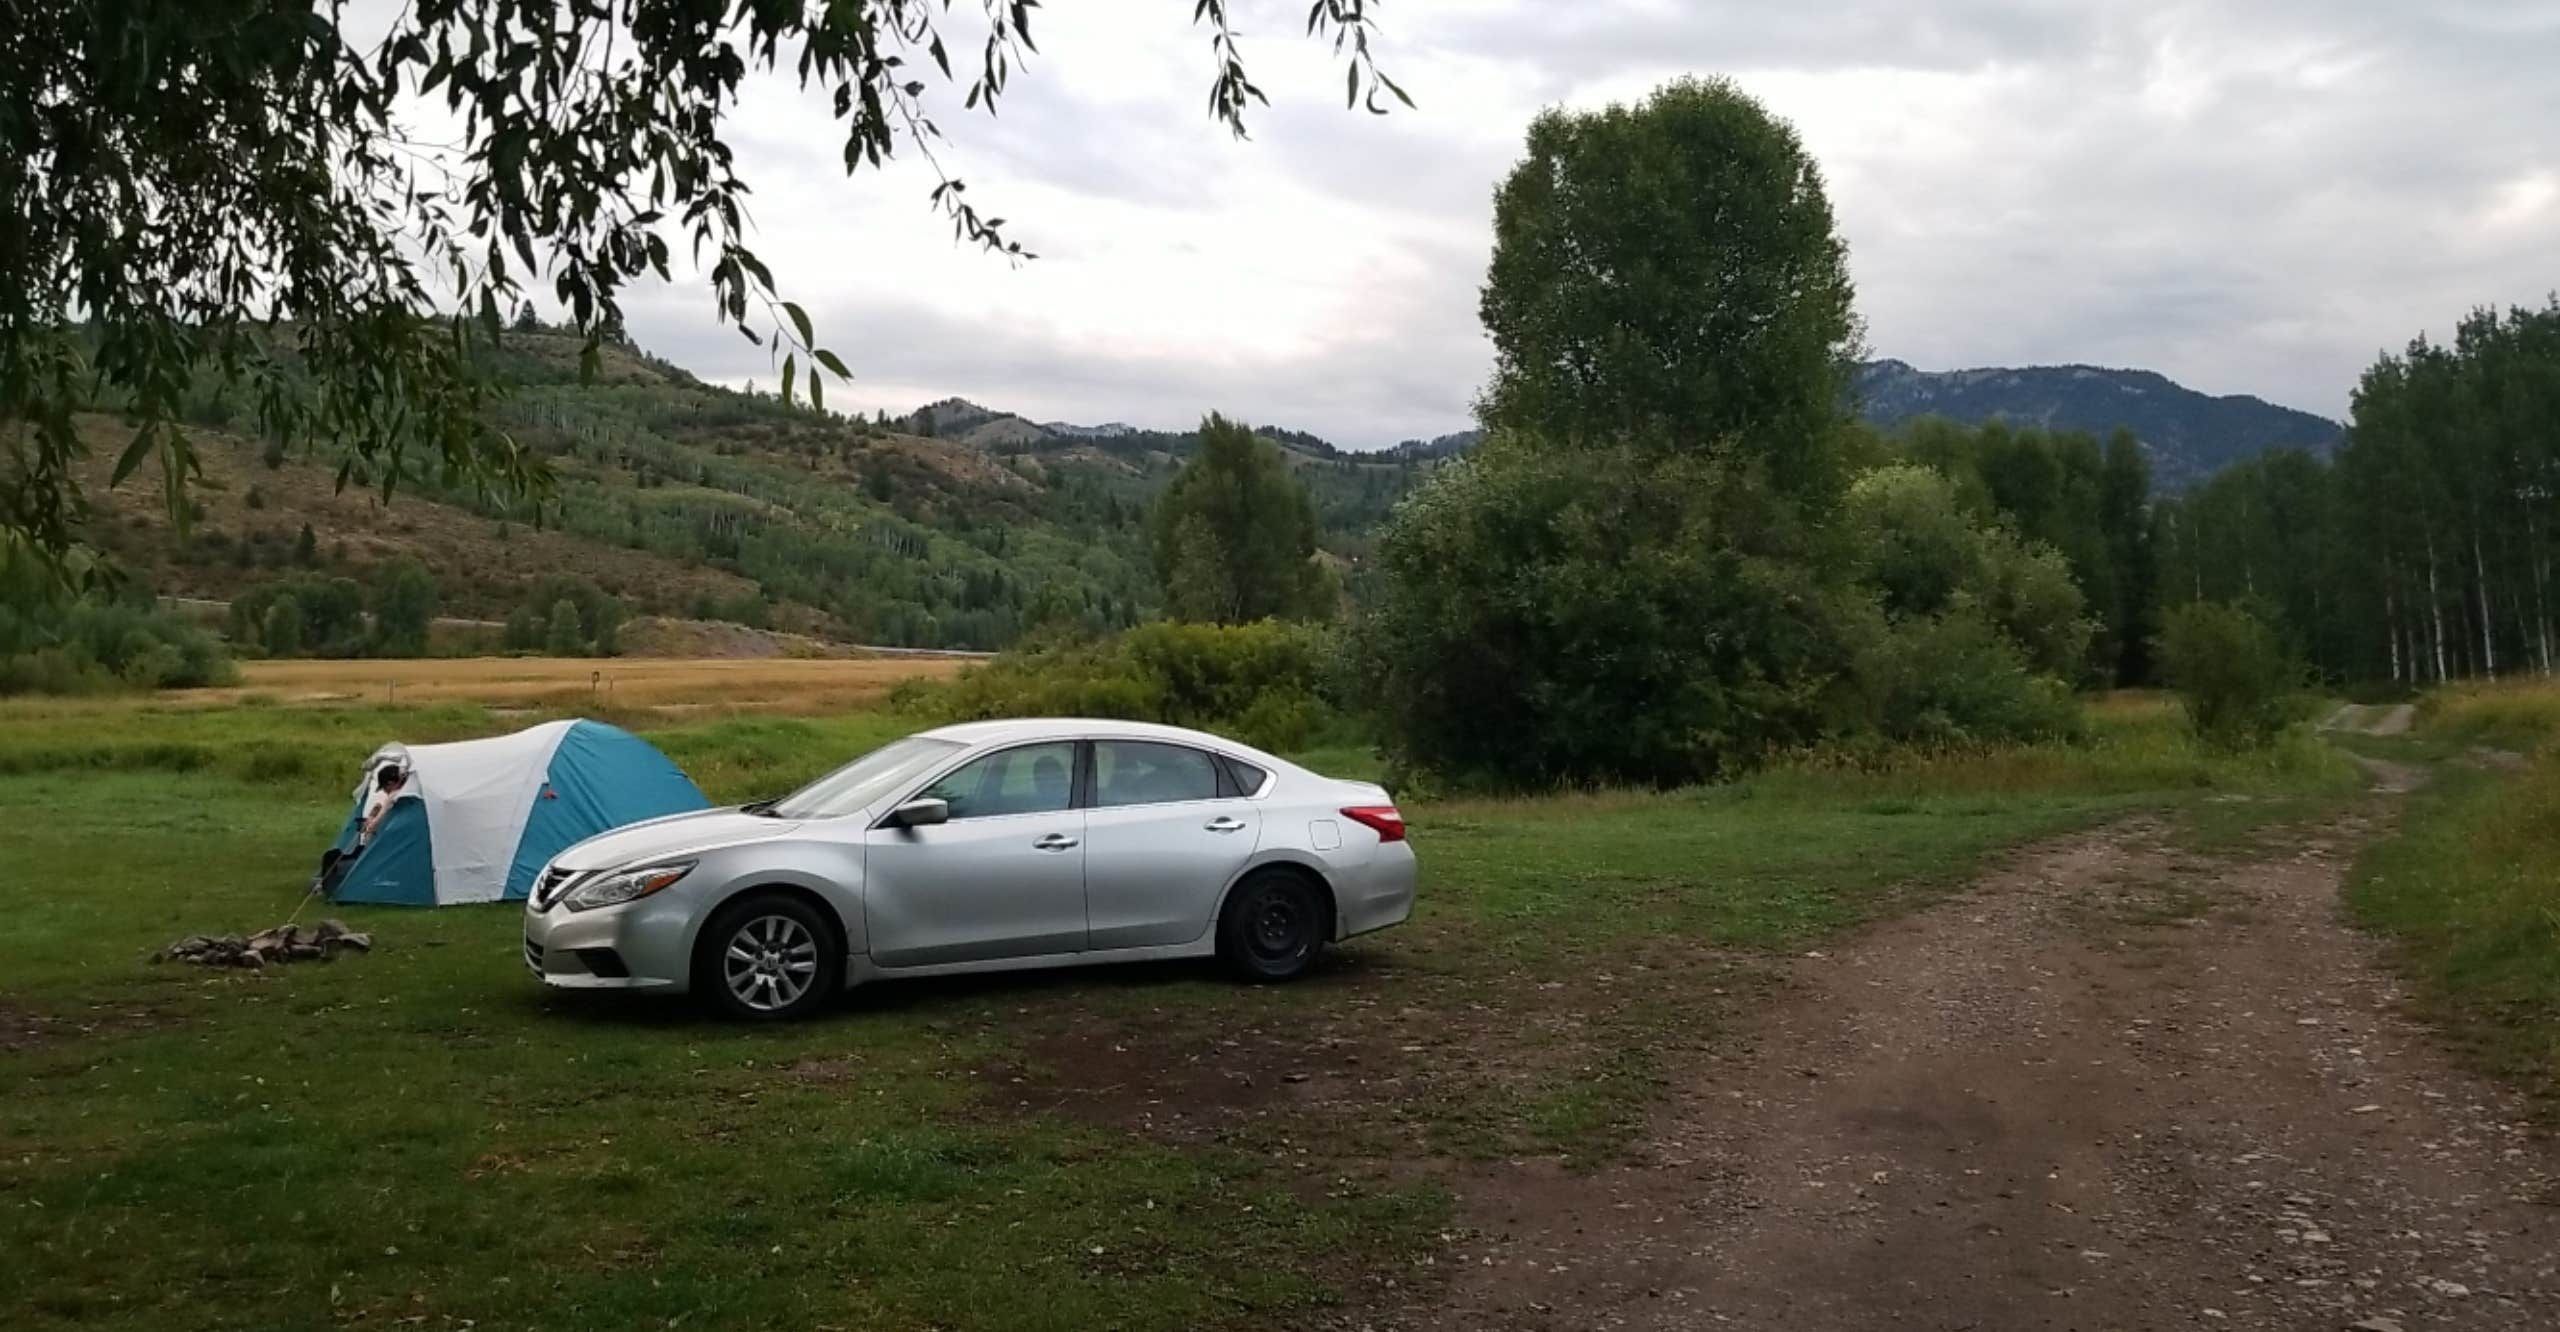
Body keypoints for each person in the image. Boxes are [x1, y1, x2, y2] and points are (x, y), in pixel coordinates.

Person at [360, 763, 408, 846]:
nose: (385, 791)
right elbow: (381, 808)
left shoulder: (394, 794)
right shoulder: (410, 790)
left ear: (391, 783)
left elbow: (376, 822)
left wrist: (370, 825)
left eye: (385, 788)